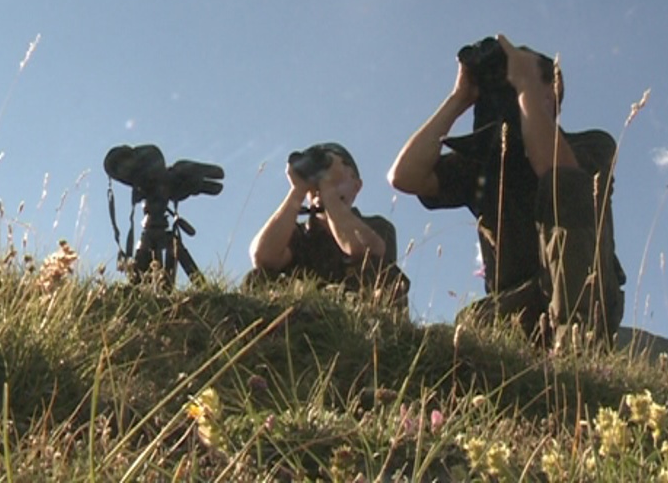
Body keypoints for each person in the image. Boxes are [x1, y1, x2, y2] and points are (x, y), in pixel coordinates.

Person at [388, 34, 625, 348]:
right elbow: (405, 176)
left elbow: (556, 175)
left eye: (515, 83)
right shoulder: (489, 163)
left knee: (567, 183)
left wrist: (525, 87)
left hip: (587, 296)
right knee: (468, 326)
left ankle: (576, 351)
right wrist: (459, 98)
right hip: (515, 305)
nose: (509, 91)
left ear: (552, 93)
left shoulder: (591, 144)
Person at [247, 142, 409, 310]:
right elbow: (262, 256)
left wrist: (328, 189)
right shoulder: (299, 233)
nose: (320, 177)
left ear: (356, 185)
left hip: (360, 316)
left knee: (387, 279)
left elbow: (364, 250)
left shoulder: (377, 226)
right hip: (302, 315)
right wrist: (298, 190)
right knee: (259, 277)